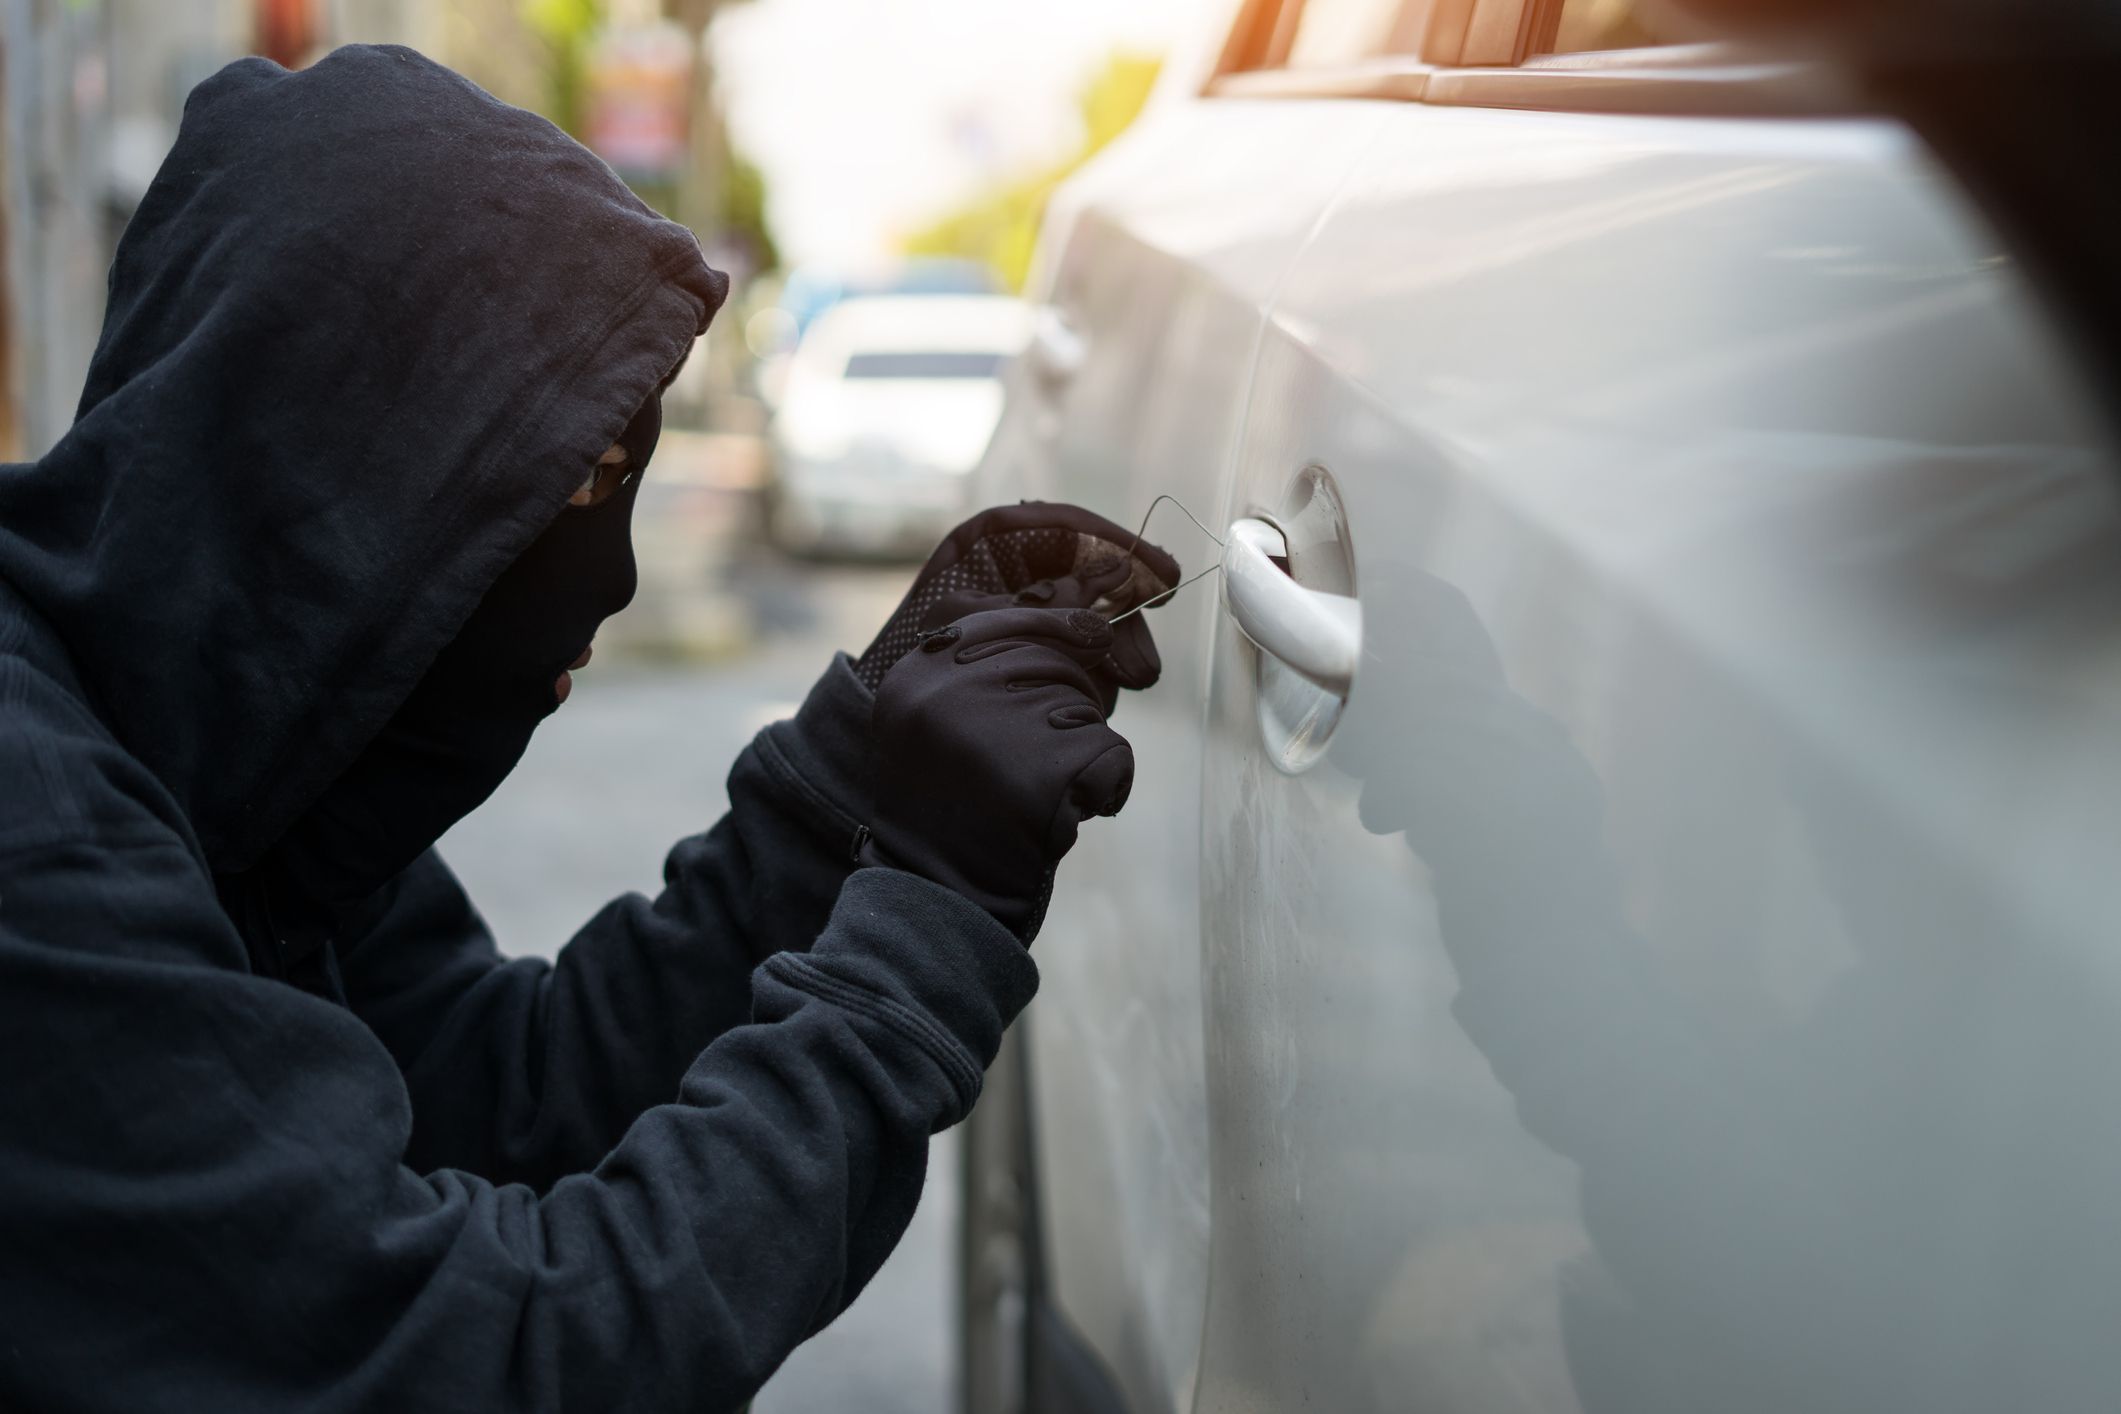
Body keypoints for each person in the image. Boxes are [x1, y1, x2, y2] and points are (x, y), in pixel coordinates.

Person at [0, 45, 1178, 1412]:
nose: (609, 584)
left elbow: (503, 1101)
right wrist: (914, 940)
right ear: (340, 452)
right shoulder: (36, 857)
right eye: (573, 485)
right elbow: (488, 1362)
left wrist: (852, 786)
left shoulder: (217, 751)